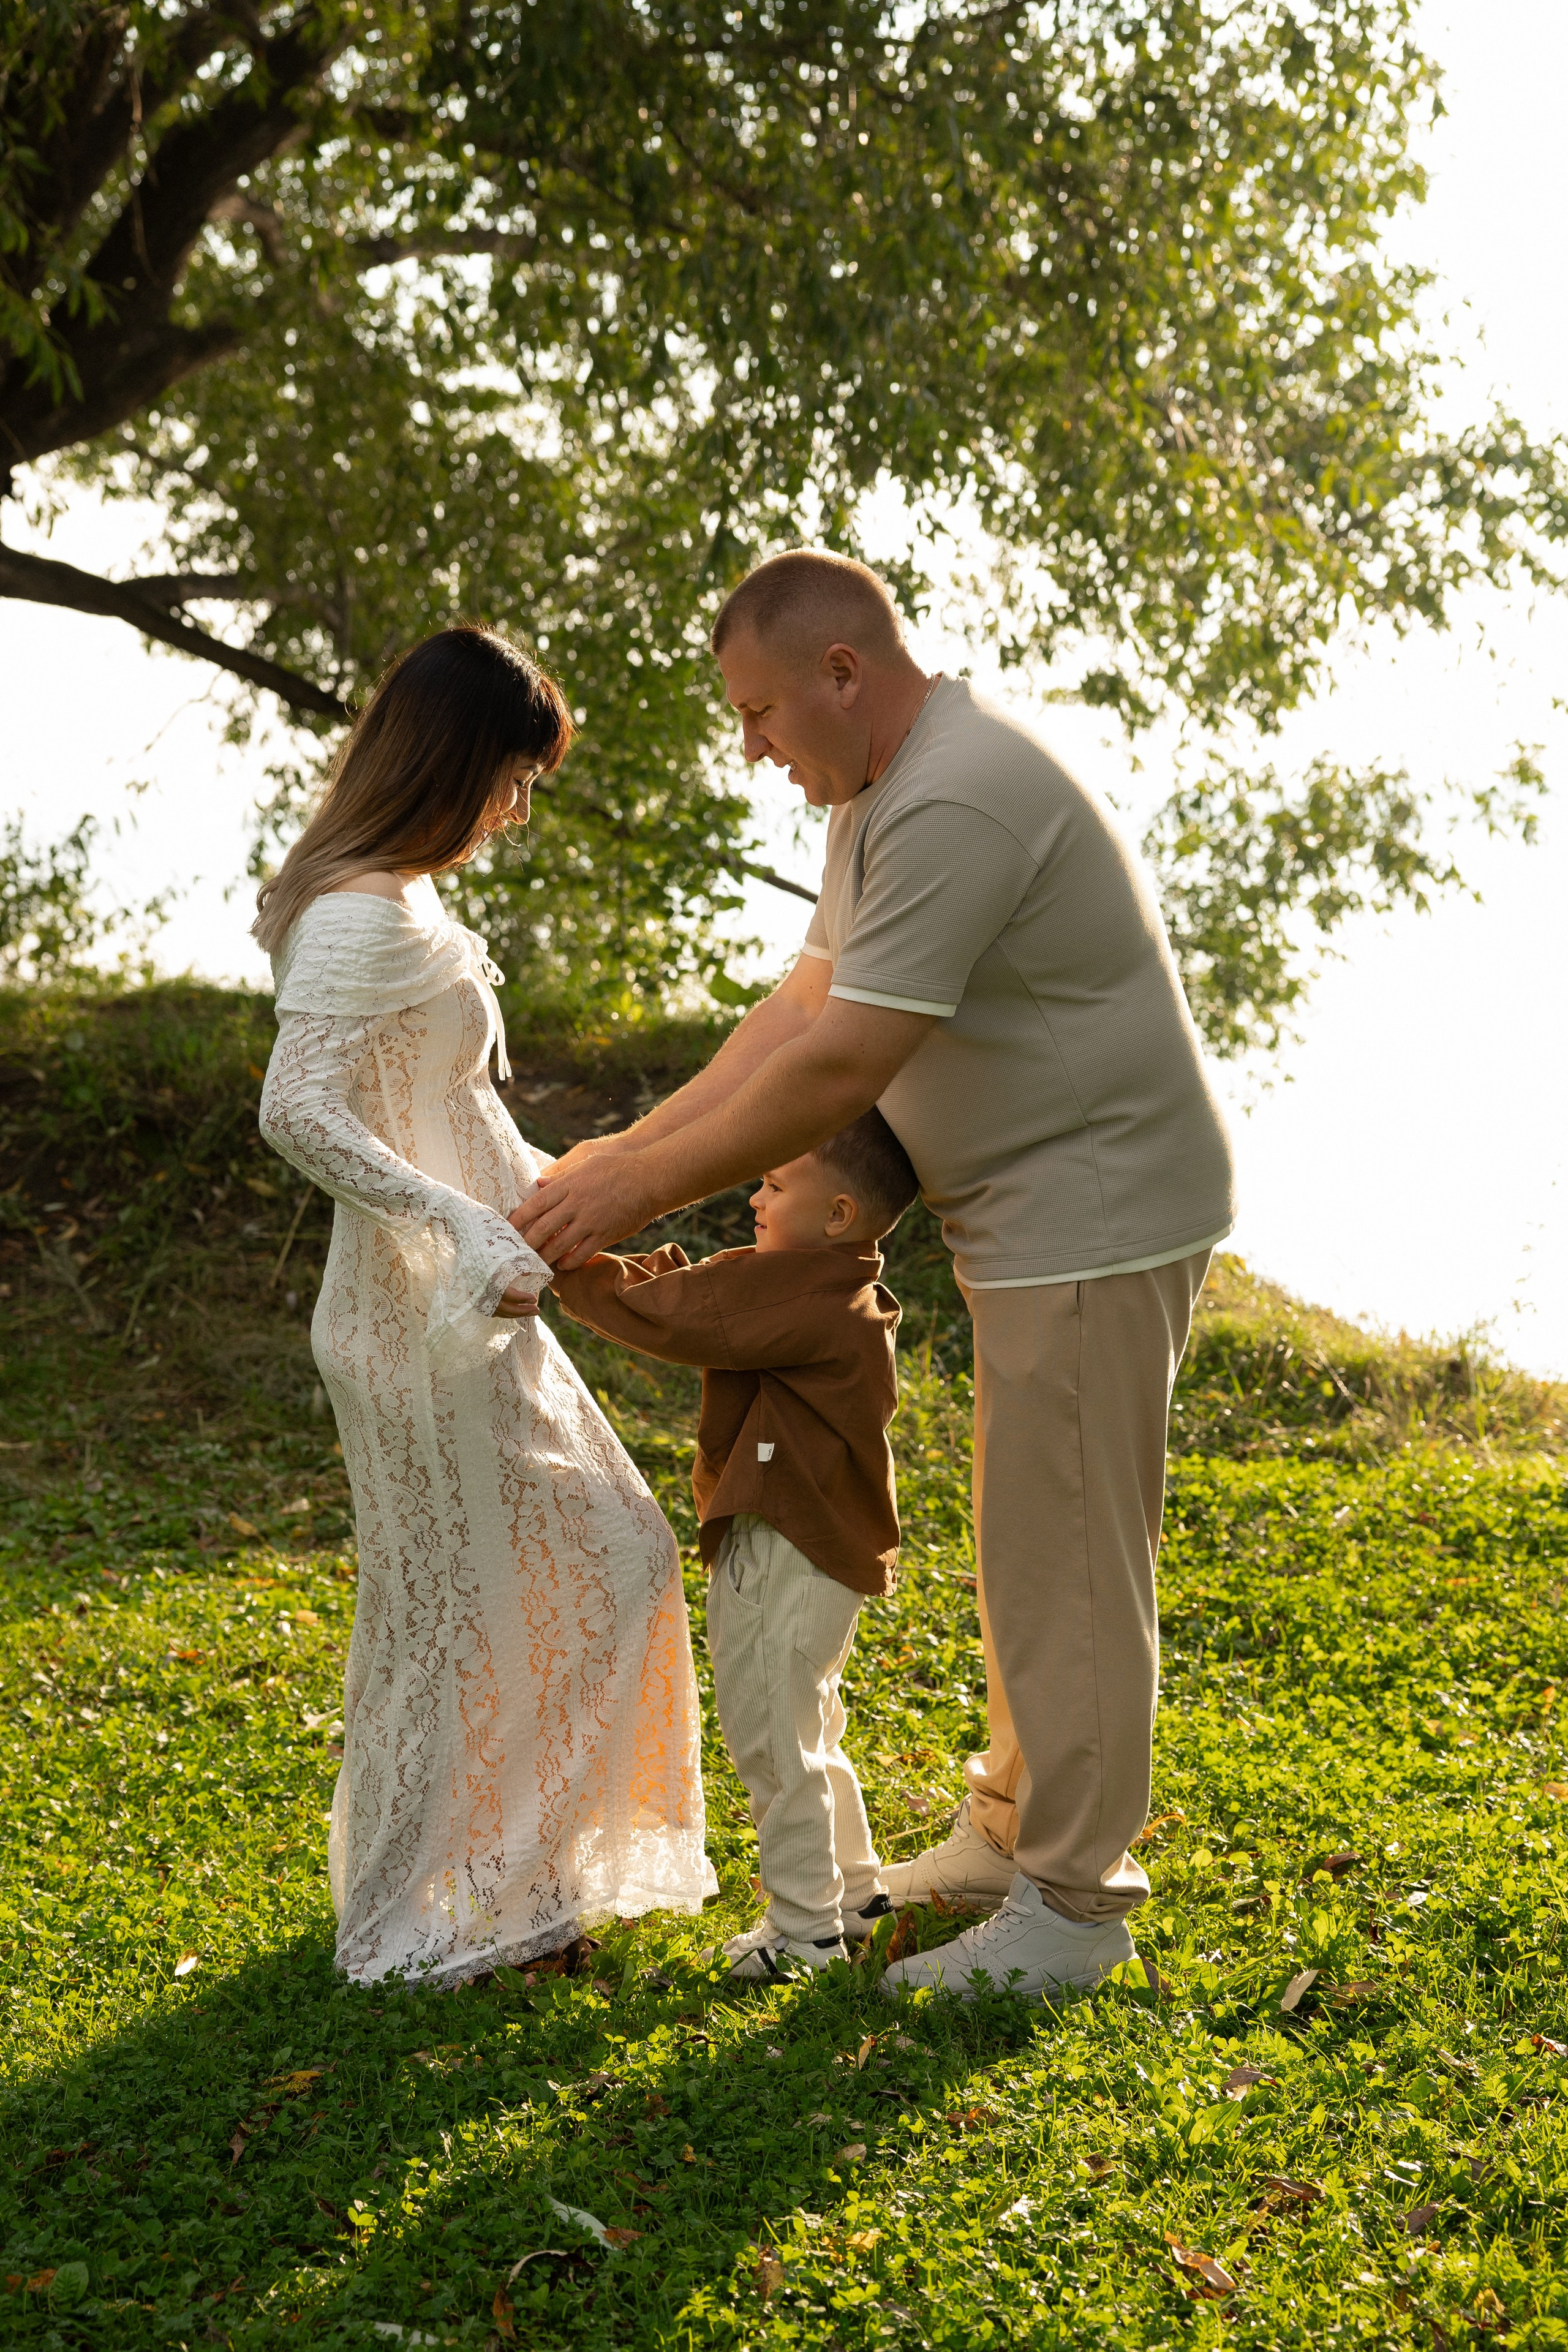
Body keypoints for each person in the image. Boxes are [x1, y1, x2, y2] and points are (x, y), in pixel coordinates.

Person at [515, 550, 1237, 2001]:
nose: (752, 748)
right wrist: (626, 1145)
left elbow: (848, 1065)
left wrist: (631, 1189)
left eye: (761, 712)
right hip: (1030, 1218)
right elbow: (798, 1010)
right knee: (1033, 1542)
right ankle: (1015, 1832)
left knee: (1071, 1558)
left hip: (1092, 1213)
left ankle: (1075, 1911)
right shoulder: (873, 798)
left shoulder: (953, 797)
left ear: (843, 672)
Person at [254, 624, 715, 1985]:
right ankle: (465, 1909)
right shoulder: (355, 913)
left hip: (468, 1307)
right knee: (519, 1590)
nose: (517, 812)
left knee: (540, 1585)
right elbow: (298, 1113)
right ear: (451, 762)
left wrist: (586, 1208)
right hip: (415, 1321)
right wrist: (459, 1224)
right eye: (512, 780)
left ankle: (510, 1893)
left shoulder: (401, 903)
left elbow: (457, 1118)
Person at [552, 1109, 916, 1981]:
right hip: (823, 1546)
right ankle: (856, 1896)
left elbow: (684, 1314)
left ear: (836, 1216)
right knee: (810, 1720)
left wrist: (574, 1268)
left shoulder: (800, 1288)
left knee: (773, 1738)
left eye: (775, 1184)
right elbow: (714, 1304)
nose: (756, 1197)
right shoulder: (840, 1285)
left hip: (784, 1540)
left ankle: (804, 1936)